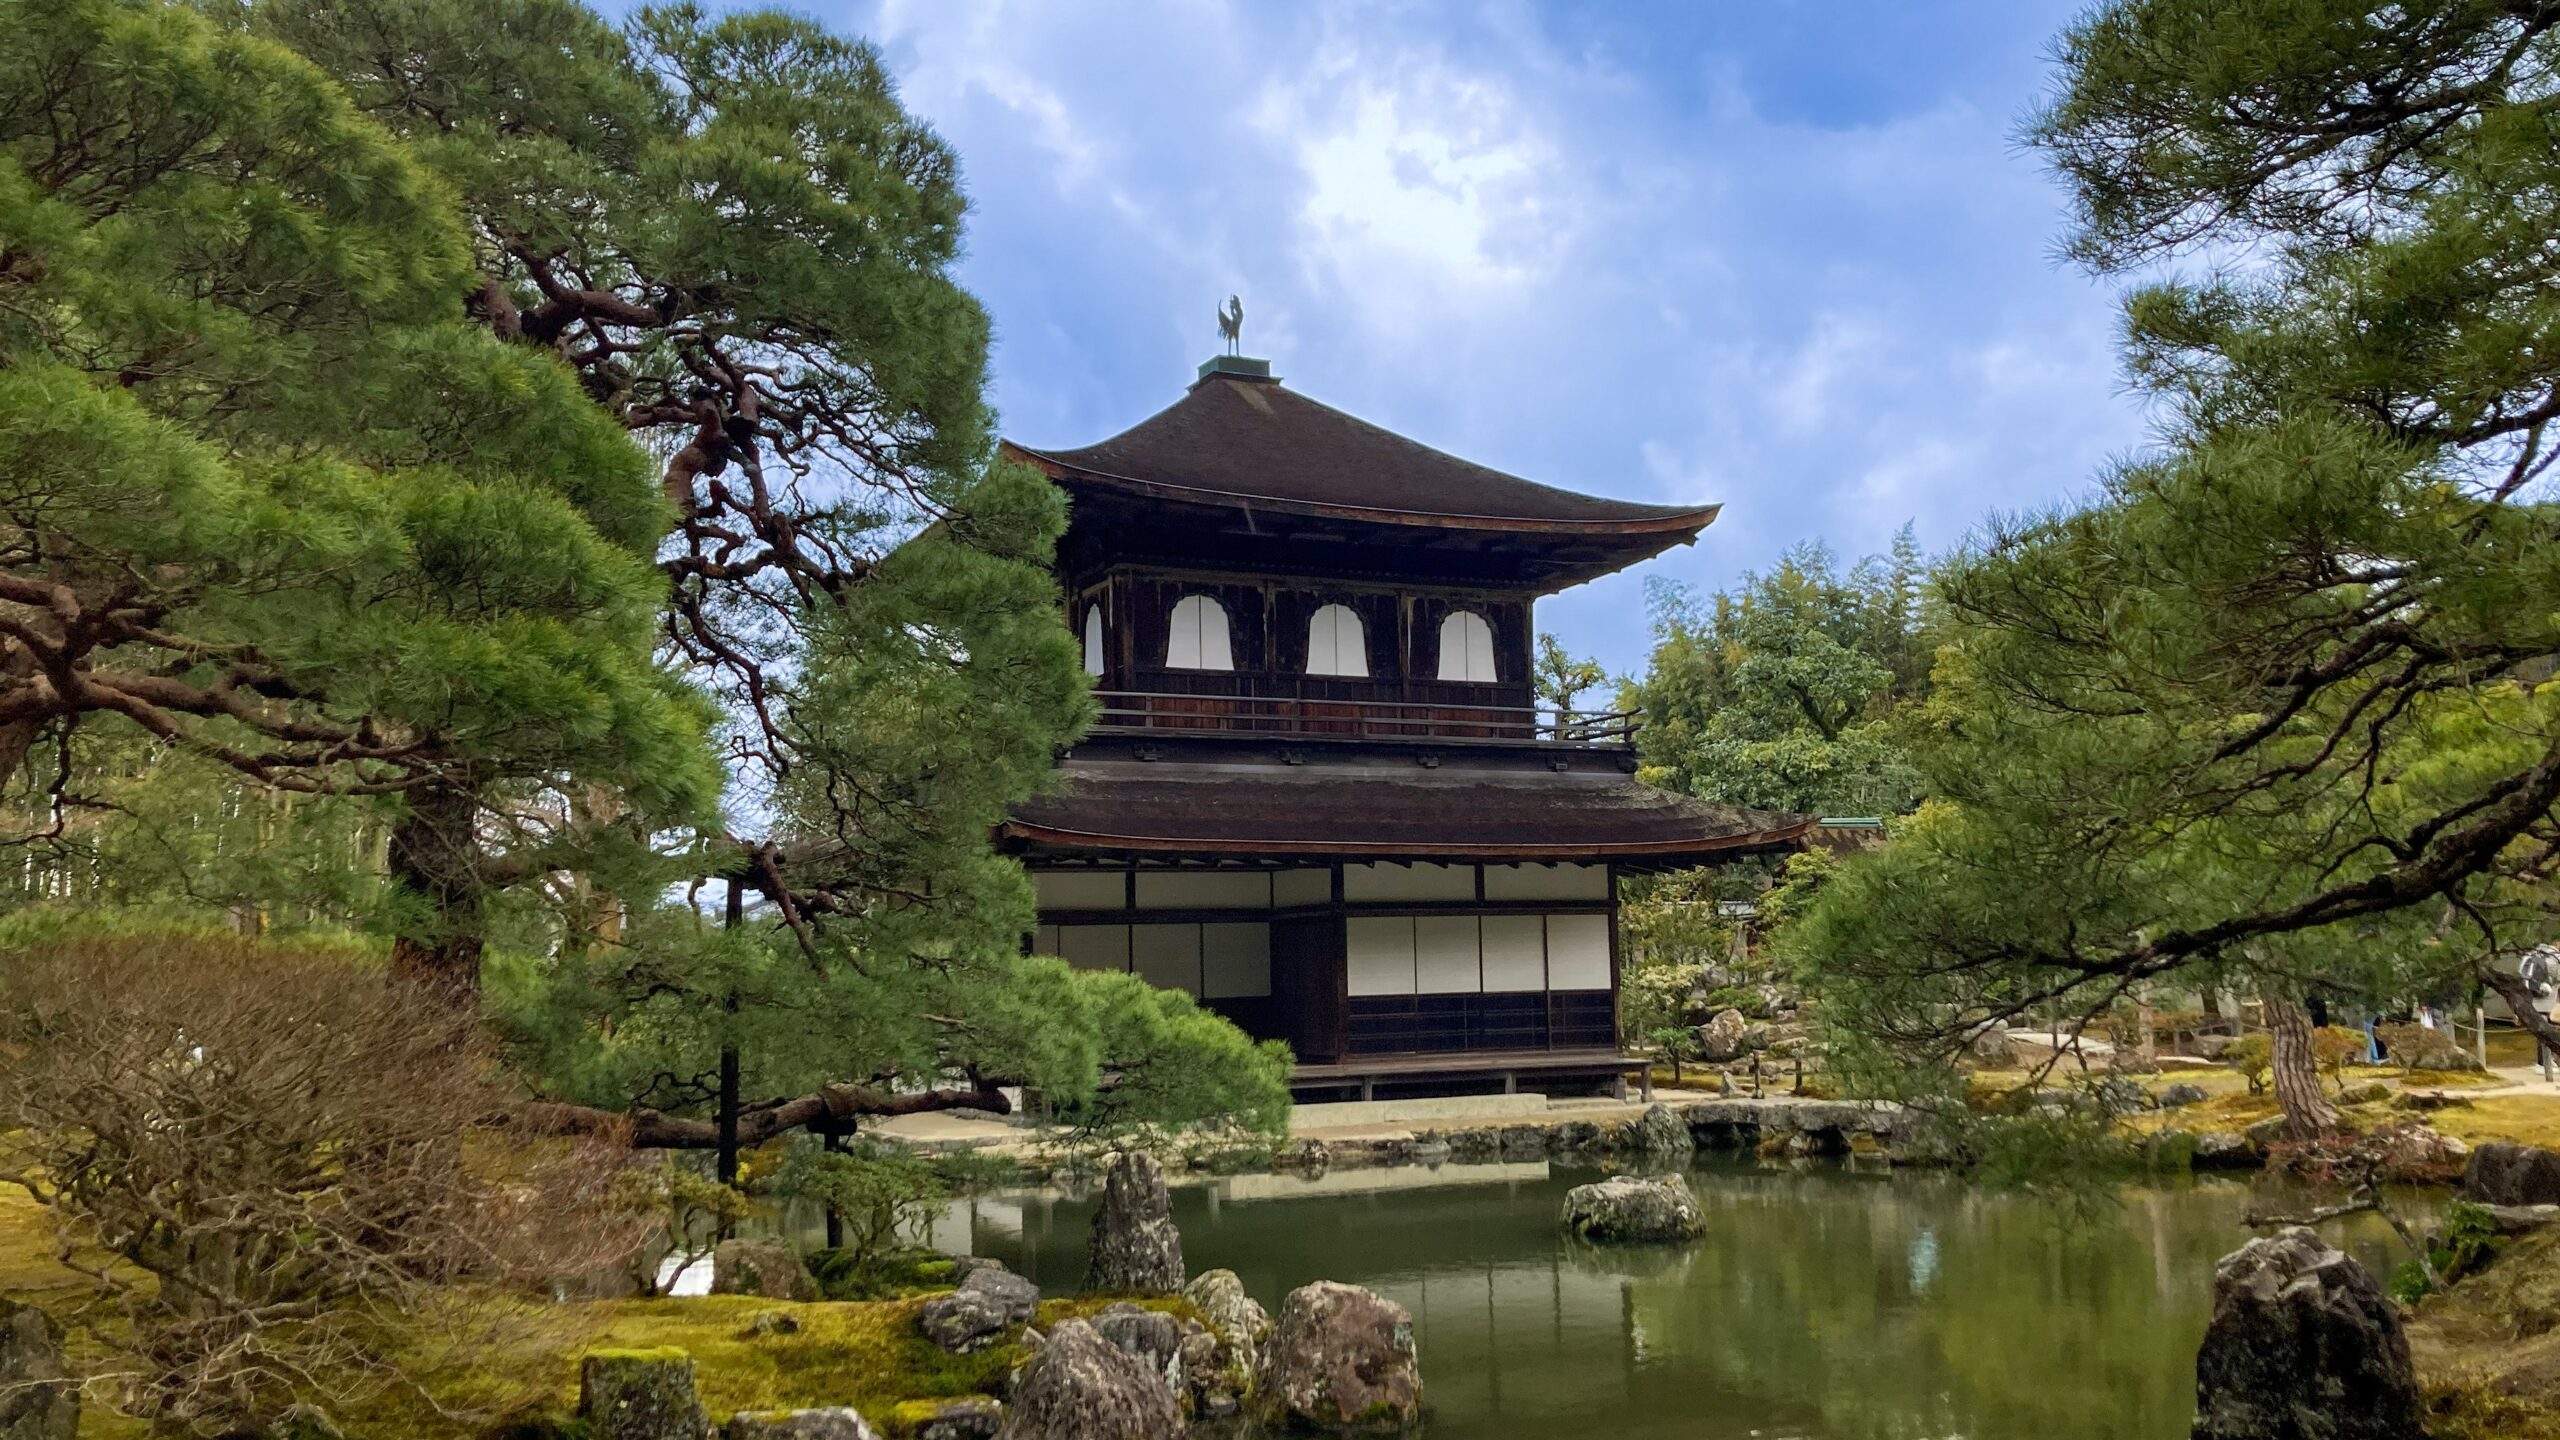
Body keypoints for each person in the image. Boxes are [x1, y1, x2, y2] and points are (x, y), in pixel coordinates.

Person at [2522, 946, 2560, 1083]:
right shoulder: (2555, 959)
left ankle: (2543, 1062)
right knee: (2548, 1031)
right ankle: (2545, 1063)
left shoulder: (2537, 954)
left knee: (2542, 1032)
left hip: (2535, 998)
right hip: (2548, 1000)